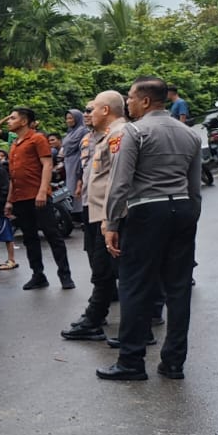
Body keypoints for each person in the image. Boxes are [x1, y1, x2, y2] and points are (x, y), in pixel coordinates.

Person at [98, 77, 202, 381]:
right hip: (181, 208)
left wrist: (111, 222)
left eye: (130, 98)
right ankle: (173, 363)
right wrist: (190, 216)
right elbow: (194, 187)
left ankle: (131, 362)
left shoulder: (134, 131)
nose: (128, 103)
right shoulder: (189, 134)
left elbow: (120, 183)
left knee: (134, 285)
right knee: (179, 288)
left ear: (145, 101)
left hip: (145, 211)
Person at [62, 93, 128, 343]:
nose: (87, 112)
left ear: (105, 110)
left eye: (92, 108)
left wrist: (110, 219)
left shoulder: (119, 134)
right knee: (102, 267)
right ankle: (97, 317)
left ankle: (103, 320)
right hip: (96, 210)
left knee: (115, 268)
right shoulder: (98, 138)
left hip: (109, 214)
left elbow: (119, 180)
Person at [5, 107, 74, 291]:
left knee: (52, 235)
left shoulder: (37, 139)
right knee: (30, 238)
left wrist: (43, 191)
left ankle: (65, 275)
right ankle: (38, 275)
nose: (8, 121)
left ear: (24, 121)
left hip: (38, 196)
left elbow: (47, 164)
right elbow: (13, 175)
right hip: (21, 198)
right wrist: (10, 200)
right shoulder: (14, 145)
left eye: (12, 118)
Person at [61, 109, 90, 225]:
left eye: (71, 118)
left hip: (77, 161)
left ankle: (82, 214)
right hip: (69, 162)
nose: (68, 120)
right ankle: (76, 214)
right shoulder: (70, 132)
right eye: (67, 118)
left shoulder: (82, 131)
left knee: (78, 187)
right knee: (71, 188)